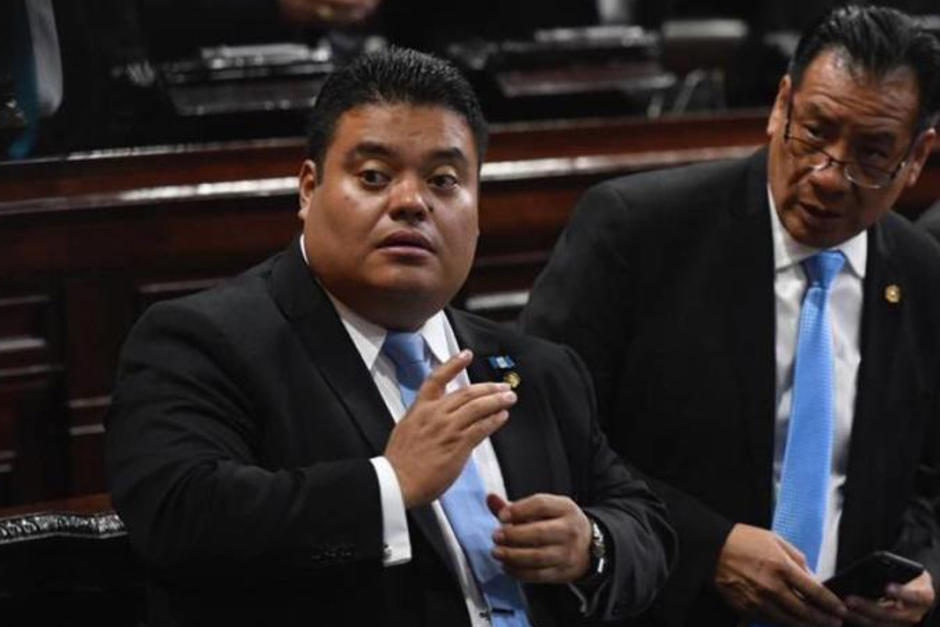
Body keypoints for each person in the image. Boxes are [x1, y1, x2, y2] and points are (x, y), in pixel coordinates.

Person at [105, 47, 675, 626]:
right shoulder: (202, 342)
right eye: (374, 177)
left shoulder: (535, 366)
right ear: (308, 189)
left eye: (444, 180)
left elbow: (644, 523)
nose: (411, 203)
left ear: (477, 209)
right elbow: (181, 520)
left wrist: (591, 544)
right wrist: (389, 484)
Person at [521, 5, 940, 627]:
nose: (828, 175)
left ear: (916, 157)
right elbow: (545, 434)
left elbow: (930, 481)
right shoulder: (638, 232)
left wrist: (927, 573)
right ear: (781, 106)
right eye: (814, 133)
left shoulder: (923, 272)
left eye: (872, 155)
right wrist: (706, 547)